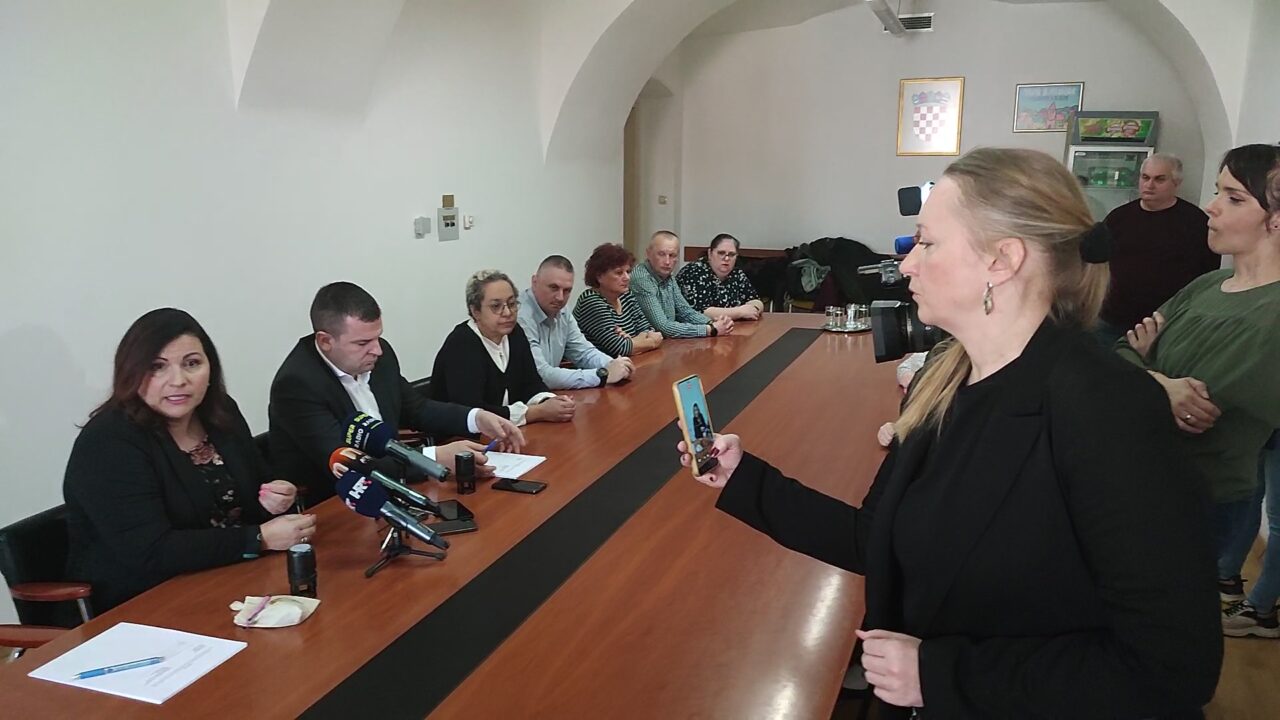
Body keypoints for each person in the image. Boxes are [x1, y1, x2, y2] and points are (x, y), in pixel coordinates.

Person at [676, 148, 1220, 718]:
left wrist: (939, 675)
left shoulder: (1107, 406)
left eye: (927, 243)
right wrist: (745, 478)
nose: (907, 264)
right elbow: (877, 537)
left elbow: (1172, 665)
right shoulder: (945, 377)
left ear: (1002, 260)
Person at [1119, 144, 1280, 634]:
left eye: (1233, 198)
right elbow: (1119, 355)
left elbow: (1207, 405)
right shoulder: (1206, 287)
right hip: (1140, 483)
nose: (1211, 207)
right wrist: (1159, 382)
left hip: (1200, 498)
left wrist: (1148, 368)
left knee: (1158, 629)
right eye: (1217, 192)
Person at [64, 309, 316, 613]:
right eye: (157, 367)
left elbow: (255, 488)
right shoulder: (108, 442)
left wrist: (275, 497)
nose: (179, 380)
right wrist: (259, 539)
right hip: (145, 603)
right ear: (131, 373)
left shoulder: (220, 413)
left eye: (192, 364)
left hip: (233, 579)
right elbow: (151, 551)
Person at [269, 282, 522, 502]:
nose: (377, 350)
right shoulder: (296, 385)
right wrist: (433, 458)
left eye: (377, 337)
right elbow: (349, 464)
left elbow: (417, 409)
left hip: (398, 486)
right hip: (338, 504)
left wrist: (477, 418)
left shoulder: (379, 356)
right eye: (362, 343)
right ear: (325, 341)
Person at [1094, 153, 1218, 344]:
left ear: (1176, 183)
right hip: (1112, 319)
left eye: (1159, 179)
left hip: (1166, 325)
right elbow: (1097, 261)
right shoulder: (1119, 217)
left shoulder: (1196, 222)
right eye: (1145, 177)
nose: (1149, 185)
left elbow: (1208, 275)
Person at [432, 270, 572, 425]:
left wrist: (549, 401)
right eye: (496, 306)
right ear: (475, 311)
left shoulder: (515, 333)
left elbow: (531, 383)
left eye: (512, 304)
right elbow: (473, 413)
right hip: (462, 436)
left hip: (509, 431)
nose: (507, 313)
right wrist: (536, 412)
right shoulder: (461, 344)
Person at [516, 255, 634, 390]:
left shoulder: (562, 310)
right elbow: (542, 375)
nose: (560, 297)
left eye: (567, 290)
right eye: (553, 287)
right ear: (534, 282)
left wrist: (614, 365)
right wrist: (602, 375)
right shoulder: (521, 316)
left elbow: (584, 352)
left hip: (548, 394)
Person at [631, 230, 734, 338]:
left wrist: (713, 323)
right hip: (644, 343)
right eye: (661, 254)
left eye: (672, 255)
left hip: (665, 342)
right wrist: (710, 330)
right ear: (648, 253)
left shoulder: (667, 276)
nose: (667, 261)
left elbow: (685, 311)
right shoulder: (641, 278)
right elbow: (663, 327)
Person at [572, 243, 664, 358]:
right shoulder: (591, 301)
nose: (627, 278)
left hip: (627, 362)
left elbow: (648, 329)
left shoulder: (626, 295)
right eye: (619, 273)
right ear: (599, 276)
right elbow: (619, 349)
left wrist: (631, 342)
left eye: (628, 271)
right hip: (596, 366)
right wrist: (651, 342)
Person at [675, 233, 764, 321]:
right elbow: (701, 312)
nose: (726, 258)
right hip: (696, 327)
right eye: (721, 253)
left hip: (730, 326)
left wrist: (753, 309)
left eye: (731, 254)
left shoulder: (736, 273)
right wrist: (740, 312)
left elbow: (756, 300)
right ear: (710, 253)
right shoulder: (694, 272)